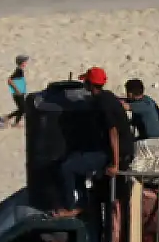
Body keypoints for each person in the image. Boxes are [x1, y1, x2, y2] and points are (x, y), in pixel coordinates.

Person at [55, 66, 133, 217]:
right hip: (109, 149)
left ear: (90, 85)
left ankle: (72, 207)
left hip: (114, 153)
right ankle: (82, 201)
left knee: (67, 167)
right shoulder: (107, 96)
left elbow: (113, 133)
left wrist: (115, 164)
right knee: (75, 160)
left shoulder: (103, 104)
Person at [1, 54, 32, 128]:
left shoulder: (20, 70)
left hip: (19, 93)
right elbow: (9, 80)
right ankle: (8, 118)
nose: (26, 63)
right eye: (25, 61)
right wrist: (17, 89)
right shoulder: (18, 71)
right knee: (23, 109)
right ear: (22, 63)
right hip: (17, 94)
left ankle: (14, 122)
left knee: (22, 109)